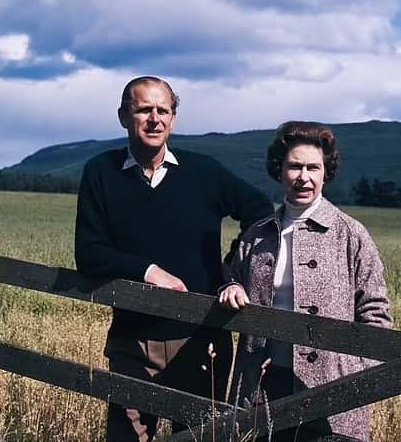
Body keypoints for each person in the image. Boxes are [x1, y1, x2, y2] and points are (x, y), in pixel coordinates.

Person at [74, 76, 273, 441]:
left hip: (202, 340)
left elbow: (261, 214)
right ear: (123, 116)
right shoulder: (100, 172)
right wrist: (149, 272)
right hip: (131, 340)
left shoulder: (205, 173)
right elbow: (88, 253)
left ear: (174, 118)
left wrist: (232, 272)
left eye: (163, 110)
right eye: (143, 110)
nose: (154, 119)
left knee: (201, 437)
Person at [219, 121, 392, 442]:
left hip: (332, 391)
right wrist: (231, 286)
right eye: (294, 166)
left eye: (313, 167)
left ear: (326, 172)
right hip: (262, 388)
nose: (304, 177)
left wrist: (352, 380)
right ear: (279, 170)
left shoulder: (350, 234)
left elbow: (376, 314)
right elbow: (230, 276)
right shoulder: (256, 235)